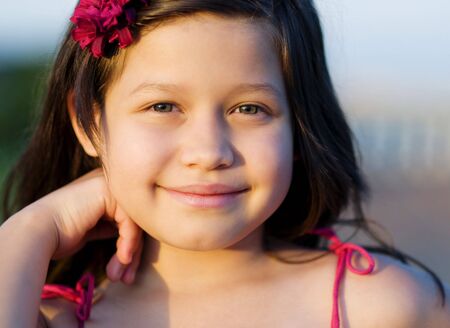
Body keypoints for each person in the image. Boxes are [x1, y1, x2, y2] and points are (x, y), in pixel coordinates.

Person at [1, 0, 449, 327]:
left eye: (250, 109)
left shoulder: (385, 306)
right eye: (162, 106)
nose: (210, 152)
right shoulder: (51, 318)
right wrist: (35, 226)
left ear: (300, 126)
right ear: (88, 122)